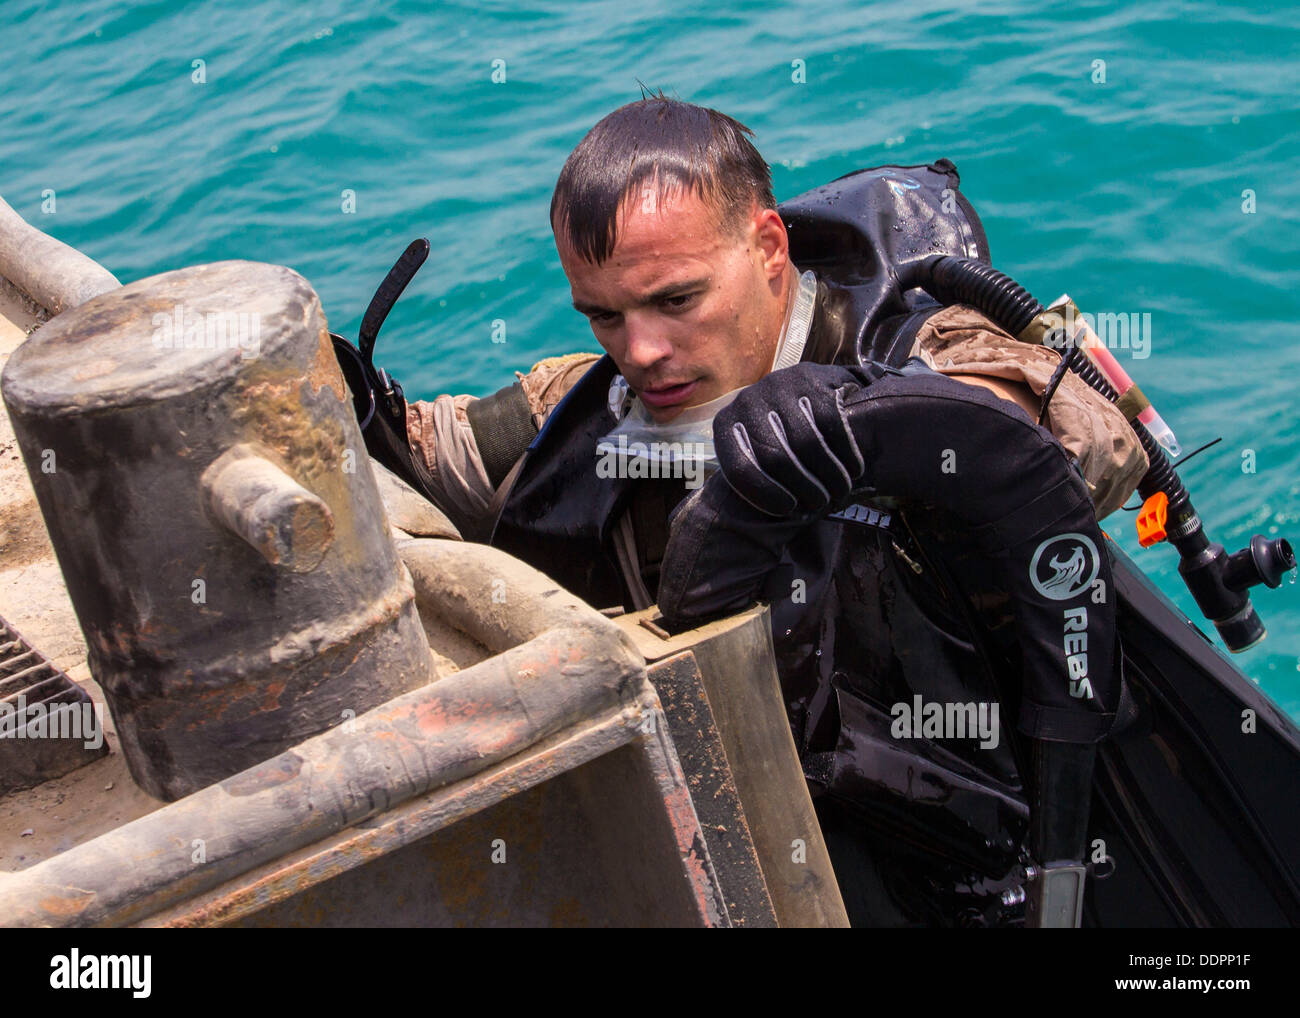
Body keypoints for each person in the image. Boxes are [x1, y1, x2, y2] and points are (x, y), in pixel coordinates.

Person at [397, 94, 1147, 925]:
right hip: (723, 819)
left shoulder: (911, 347)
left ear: (767, 247)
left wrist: (866, 417)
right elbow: (424, 448)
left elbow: (1088, 430)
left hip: (966, 831)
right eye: (606, 314)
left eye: (677, 300)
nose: (641, 352)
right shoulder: (585, 404)